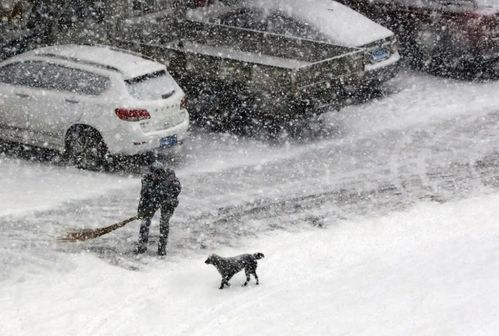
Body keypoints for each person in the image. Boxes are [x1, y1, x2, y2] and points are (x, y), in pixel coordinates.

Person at [136, 161, 181, 256]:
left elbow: (176, 190)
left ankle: (162, 249)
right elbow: (144, 196)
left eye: (156, 174)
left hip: (167, 202)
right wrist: (141, 211)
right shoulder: (147, 179)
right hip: (153, 200)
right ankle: (142, 247)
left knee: (164, 223)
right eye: (152, 174)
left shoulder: (170, 177)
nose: (154, 177)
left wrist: (168, 199)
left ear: (161, 172)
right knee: (145, 221)